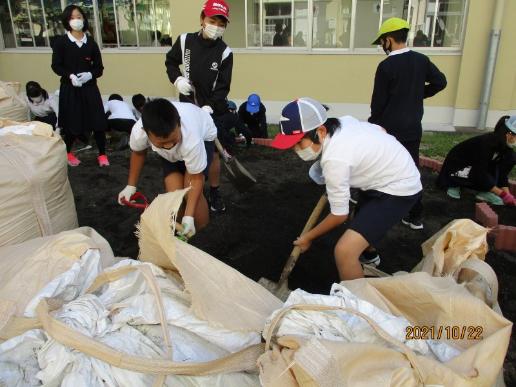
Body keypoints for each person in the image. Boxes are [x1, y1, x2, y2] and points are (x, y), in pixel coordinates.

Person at [271, 98, 422, 280]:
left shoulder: (336, 161)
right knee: (359, 219)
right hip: (383, 175)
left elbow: (338, 215)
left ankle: (356, 301)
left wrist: (308, 237)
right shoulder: (342, 122)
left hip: (399, 188)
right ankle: (370, 256)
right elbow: (380, 130)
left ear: (320, 131)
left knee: (345, 251)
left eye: (299, 142)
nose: (295, 149)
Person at [369, 17, 447, 230]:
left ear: (389, 40)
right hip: (413, 127)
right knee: (411, 170)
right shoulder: (421, 60)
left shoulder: (386, 66)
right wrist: (418, 95)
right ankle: (415, 216)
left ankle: (369, 202)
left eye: (382, 42)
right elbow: (441, 82)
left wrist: (373, 124)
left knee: (379, 166)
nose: (382, 47)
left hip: (389, 129)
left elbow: (378, 103)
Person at [165, 0, 231, 213]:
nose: (216, 26)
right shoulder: (185, 41)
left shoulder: (225, 52)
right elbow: (170, 62)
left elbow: (223, 87)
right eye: (212, 20)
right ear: (202, 19)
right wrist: (177, 80)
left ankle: (214, 190)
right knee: (189, 149)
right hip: (187, 108)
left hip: (212, 110)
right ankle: (192, 189)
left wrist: (210, 107)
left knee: (211, 154)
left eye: (221, 23)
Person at [118, 98, 217, 238]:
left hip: (204, 137)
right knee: (175, 194)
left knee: (190, 192)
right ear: (145, 132)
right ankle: (182, 232)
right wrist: (131, 186)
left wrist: (189, 217)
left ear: (179, 124)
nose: (169, 146)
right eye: (162, 143)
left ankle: (202, 233)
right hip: (172, 154)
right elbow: (139, 153)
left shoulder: (192, 138)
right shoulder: (138, 132)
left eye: (172, 140)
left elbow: (196, 178)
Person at [51, 5, 109, 167]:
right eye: (72, 17)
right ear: (67, 21)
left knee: (98, 122)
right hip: (70, 90)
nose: (76, 20)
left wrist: (90, 74)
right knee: (72, 123)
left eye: (79, 17)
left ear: (83, 19)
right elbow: (56, 65)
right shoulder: (61, 43)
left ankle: (102, 155)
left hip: (89, 88)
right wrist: (69, 76)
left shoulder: (90, 43)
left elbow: (99, 68)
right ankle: (68, 153)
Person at [437, 115, 516, 206]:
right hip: (458, 166)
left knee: (496, 168)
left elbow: (502, 174)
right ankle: (453, 184)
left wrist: (508, 194)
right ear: (508, 134)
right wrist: (502, 194)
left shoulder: (506, 150)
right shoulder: (486, 144)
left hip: (476, 168)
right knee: (473, 173)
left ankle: (483, 191)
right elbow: (479, 172)